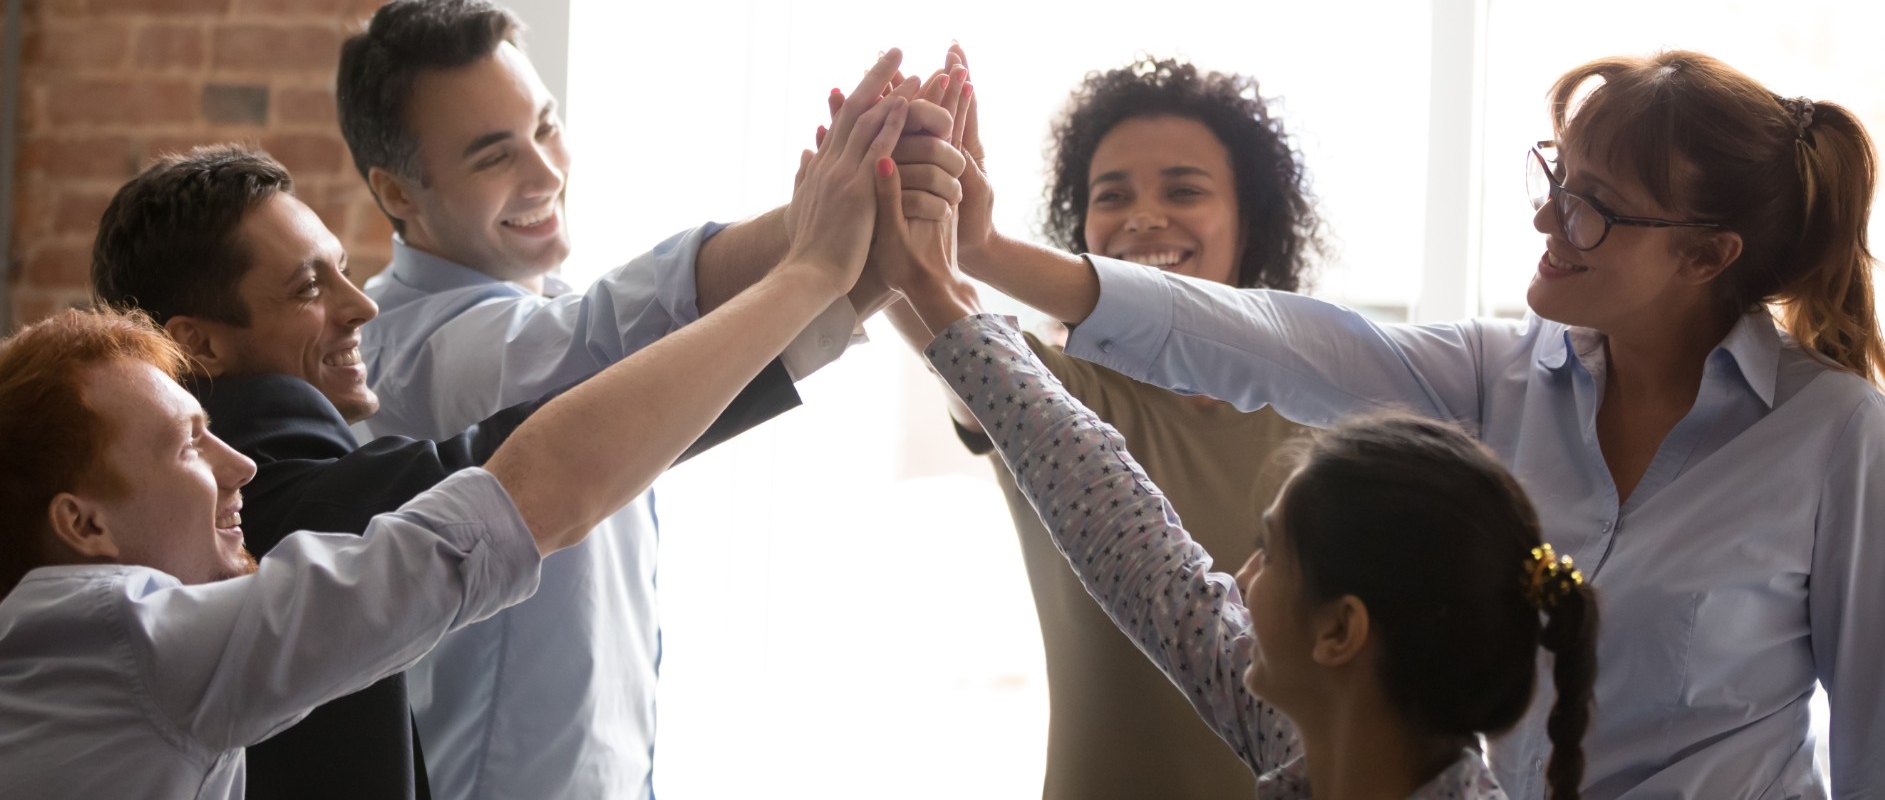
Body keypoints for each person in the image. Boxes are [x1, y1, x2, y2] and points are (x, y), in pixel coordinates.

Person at [951, 49, 1885, 799]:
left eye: (1593, 208)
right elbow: (1269, 341)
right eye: (1558, 176)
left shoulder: (1833, 435)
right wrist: (986, 253)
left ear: (1706, 254)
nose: (1547, 219)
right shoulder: (1498, 377)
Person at [0, 69, 910, 796]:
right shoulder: (167, 612)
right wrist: (815, 264)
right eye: (309, 288)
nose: (360, 307)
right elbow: (530, 471)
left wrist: (840, 284)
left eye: (547, 130)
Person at [869, 103, 1598, 798]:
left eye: (1268, 552)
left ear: (1340, 631)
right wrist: (921, 263)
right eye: (1113, 193)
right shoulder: (1309, 731)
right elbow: (1127, 536)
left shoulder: (1337, 445)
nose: (1232, 584)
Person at [335, 4, 962, 795]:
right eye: (495, 155)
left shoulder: (538, 300)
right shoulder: (406, 353)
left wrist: (873, 214)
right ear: (397, 192)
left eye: (546, 127)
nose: (545, 172)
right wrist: (817, 220)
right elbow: (596, 333)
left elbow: (699, 352)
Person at [889, 53, 1321, 800]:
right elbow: (945, 314)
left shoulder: (1321, 414)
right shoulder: (1055, 392)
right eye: (1110, 194)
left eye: (1183, 189)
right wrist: (911, 203)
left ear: (1250, 218)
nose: (1143, 216)